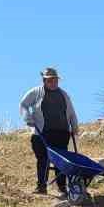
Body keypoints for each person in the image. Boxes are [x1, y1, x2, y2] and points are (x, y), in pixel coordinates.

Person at [19, 67, 79, 195]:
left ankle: (63, 188)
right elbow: (23, 105)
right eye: (50, 80)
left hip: (62, 133)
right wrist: (28, 118)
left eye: (55, 80)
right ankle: (41, 186)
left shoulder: (63, 94)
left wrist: (74, 127)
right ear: (44, 80)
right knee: (43, 159)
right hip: (42, 133)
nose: (53, 83)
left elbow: (71, 113)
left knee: (61, 161)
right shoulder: (36, 92)